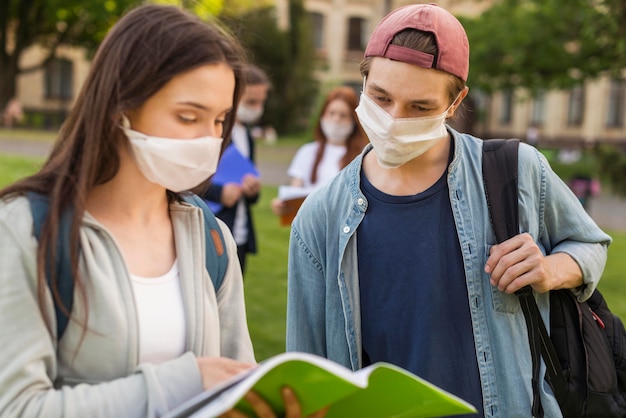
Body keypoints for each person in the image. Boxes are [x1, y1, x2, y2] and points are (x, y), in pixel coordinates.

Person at [285, 4, 611, 417]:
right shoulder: (319, 217)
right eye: (380, 97)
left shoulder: (516, 170)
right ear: (363, 80)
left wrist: (551, 269)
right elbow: (305, 374)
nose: (392, 120)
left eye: (419, 107)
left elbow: (591, 245)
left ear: (456, 101)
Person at [0, 5, 323, 417]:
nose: (209, 139)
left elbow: (234, 384)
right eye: (188, 116)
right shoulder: (25, 229)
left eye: (220, 120)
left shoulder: (212, 238)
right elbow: (17, 407)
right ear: (121, 107)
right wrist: (184, 382)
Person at [202, 64, 268, 275]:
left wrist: (253, 189)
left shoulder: (247, 135)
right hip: (213, 232)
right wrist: (220, 193)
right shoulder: (213, 131)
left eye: (261, 102)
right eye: (251, 102)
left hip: (241, 234)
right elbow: (185, 182)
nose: (257, 107)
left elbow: (250, 189)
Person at [271, 86, 368, 217]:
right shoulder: (307, 152)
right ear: (322, 116)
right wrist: (283, 205)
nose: (336, 120)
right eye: (331, 113)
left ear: (354, 120)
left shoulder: (364, 156)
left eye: (343, 115)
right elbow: (295, 192)